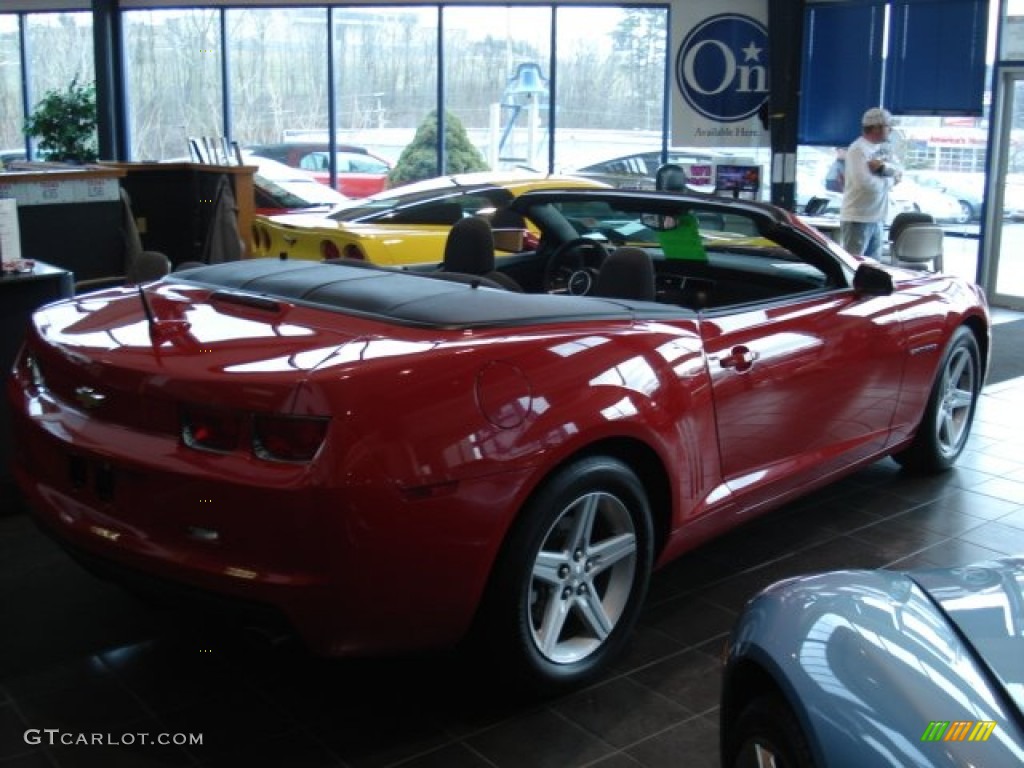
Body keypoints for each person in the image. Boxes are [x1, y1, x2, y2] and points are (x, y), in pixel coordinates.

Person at [840, 107, 903, 258]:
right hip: (858, 219)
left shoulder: (883, 148)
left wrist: (882, 169)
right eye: (888, 126)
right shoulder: (858, 149)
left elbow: (899, 172)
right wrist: (890, 180)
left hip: (877, 218)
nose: (891, 130)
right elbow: (865, 184)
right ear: (876, 128)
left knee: (873, 268)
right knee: (854, 267)